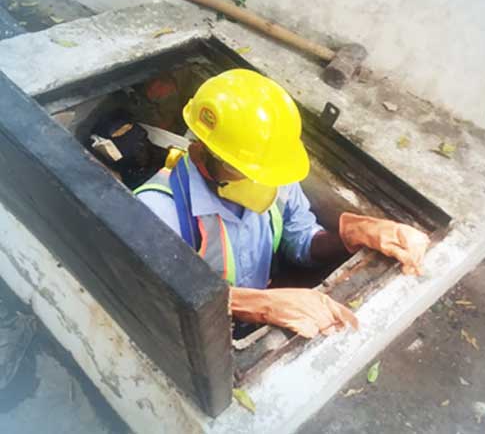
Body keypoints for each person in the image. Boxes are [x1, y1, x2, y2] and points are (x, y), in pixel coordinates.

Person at [135, 69, 430, 338]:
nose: (262, 181)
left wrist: (352, 236)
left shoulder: (274, 173)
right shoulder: (158, 212)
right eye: (247, 170)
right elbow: (163, 303)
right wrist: (259, 305)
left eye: (266, 169)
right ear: (205, 150)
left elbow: (301, 242)